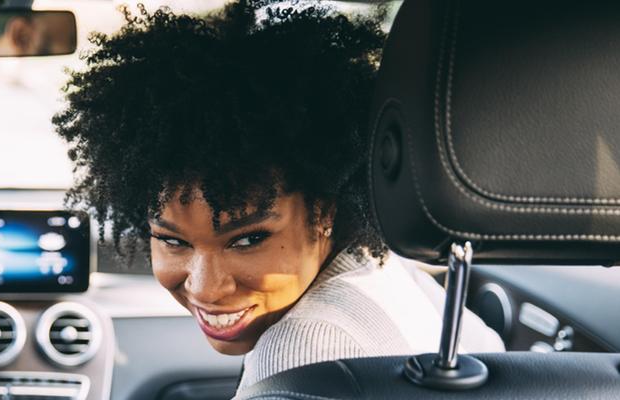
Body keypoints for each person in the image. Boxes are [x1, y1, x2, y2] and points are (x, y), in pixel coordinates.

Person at [52, 0, 505, 390]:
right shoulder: (392, 274)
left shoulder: (301, 353)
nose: (205, 287)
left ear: (323, 211)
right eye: (172, 240)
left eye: (247, 239)